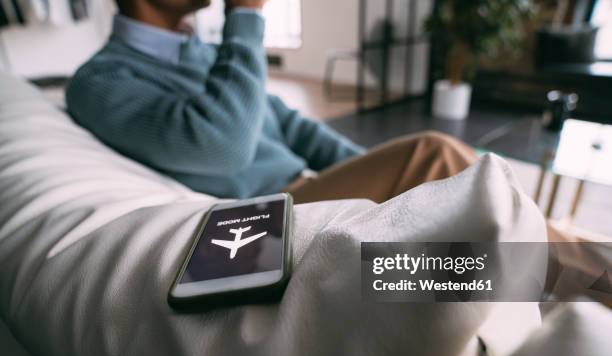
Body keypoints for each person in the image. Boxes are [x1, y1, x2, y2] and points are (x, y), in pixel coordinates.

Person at [66, 0, 477, 204]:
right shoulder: (100, 82)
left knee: (449, 179)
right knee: (434, 154)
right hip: (264, 217)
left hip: (307, 187)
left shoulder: (205, 51)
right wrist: (244, 17)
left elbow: (294, 127)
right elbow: (223, 148)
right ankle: (543, 281)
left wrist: (387, 175)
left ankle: (532, 281)